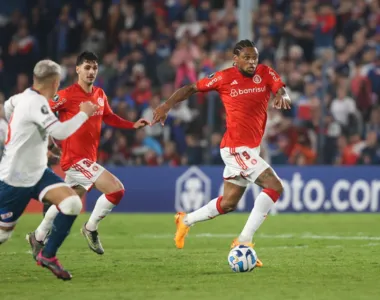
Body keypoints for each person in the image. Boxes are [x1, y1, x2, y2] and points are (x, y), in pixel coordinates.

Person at [153, 40, 291, 267]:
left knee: (228, 203)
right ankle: (244, 242)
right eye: (246, 57)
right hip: (236, 148)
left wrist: (282, 95)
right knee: (275, 187)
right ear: (235, 59)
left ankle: (185, 220)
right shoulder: (223, 77)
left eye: (254, 57)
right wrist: (166, 105)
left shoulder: (265, 72)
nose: (252, 62)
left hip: (249, 149)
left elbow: (280, 87)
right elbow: (190, 88)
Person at [27, 51, 149, 256]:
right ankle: (90, 228)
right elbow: (42, 111)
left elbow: (109, 117)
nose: (91, 71)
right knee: (116, 190)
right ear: (77, 69)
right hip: (74, 159)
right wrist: (46, 141)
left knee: (68, 201)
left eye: (94, 68)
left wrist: (132, 125)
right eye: (87, 67)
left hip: (87, 159)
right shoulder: (66, 95)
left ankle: (38, 236)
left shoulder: (100, 95)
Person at [0, 59, 98, 280]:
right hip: (14, 179)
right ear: (55, 82)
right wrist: (83, 113)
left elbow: (8, 107)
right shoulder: (37, 104)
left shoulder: (21, 97)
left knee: (72, 202)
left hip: (37, 172)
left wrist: (28, 141)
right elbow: (61, 132)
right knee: (3, 235)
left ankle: (48, 255)